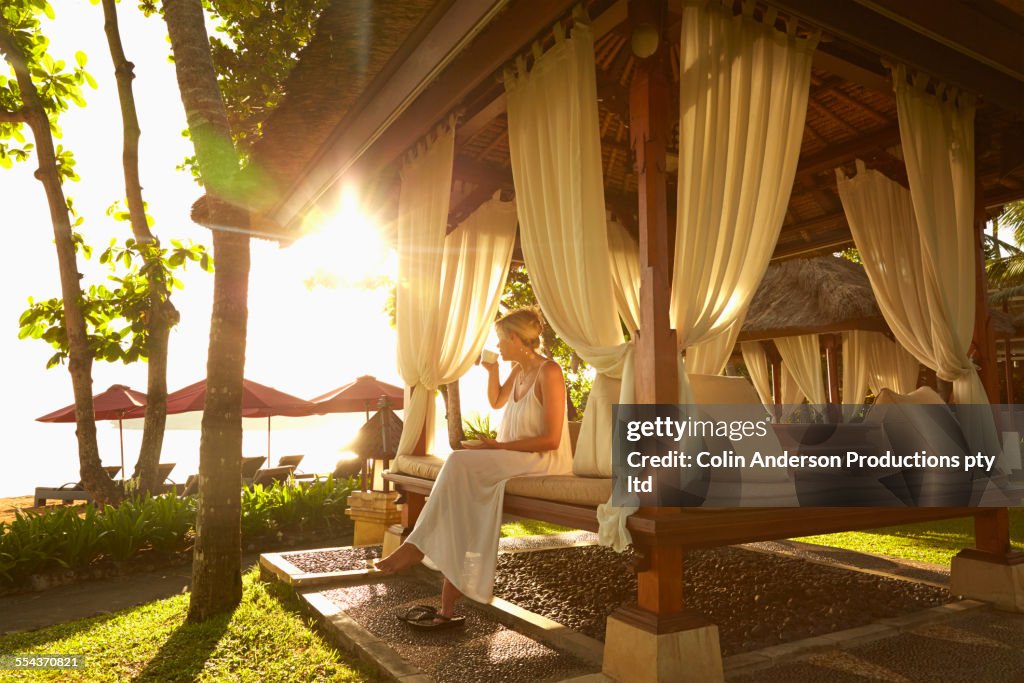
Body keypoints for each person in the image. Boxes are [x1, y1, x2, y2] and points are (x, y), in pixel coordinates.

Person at [374, 306, 573, 627]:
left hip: (542, 460)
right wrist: (492, 370)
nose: (498, 346)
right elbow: (496, 401)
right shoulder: (519, 370)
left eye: (500, 340)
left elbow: (551, 439)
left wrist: (498, 447)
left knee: (457, 461)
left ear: (513, 338)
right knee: (461, 497)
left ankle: (416, 545)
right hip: (513, 455)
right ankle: (448, 598)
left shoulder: (549, 372)